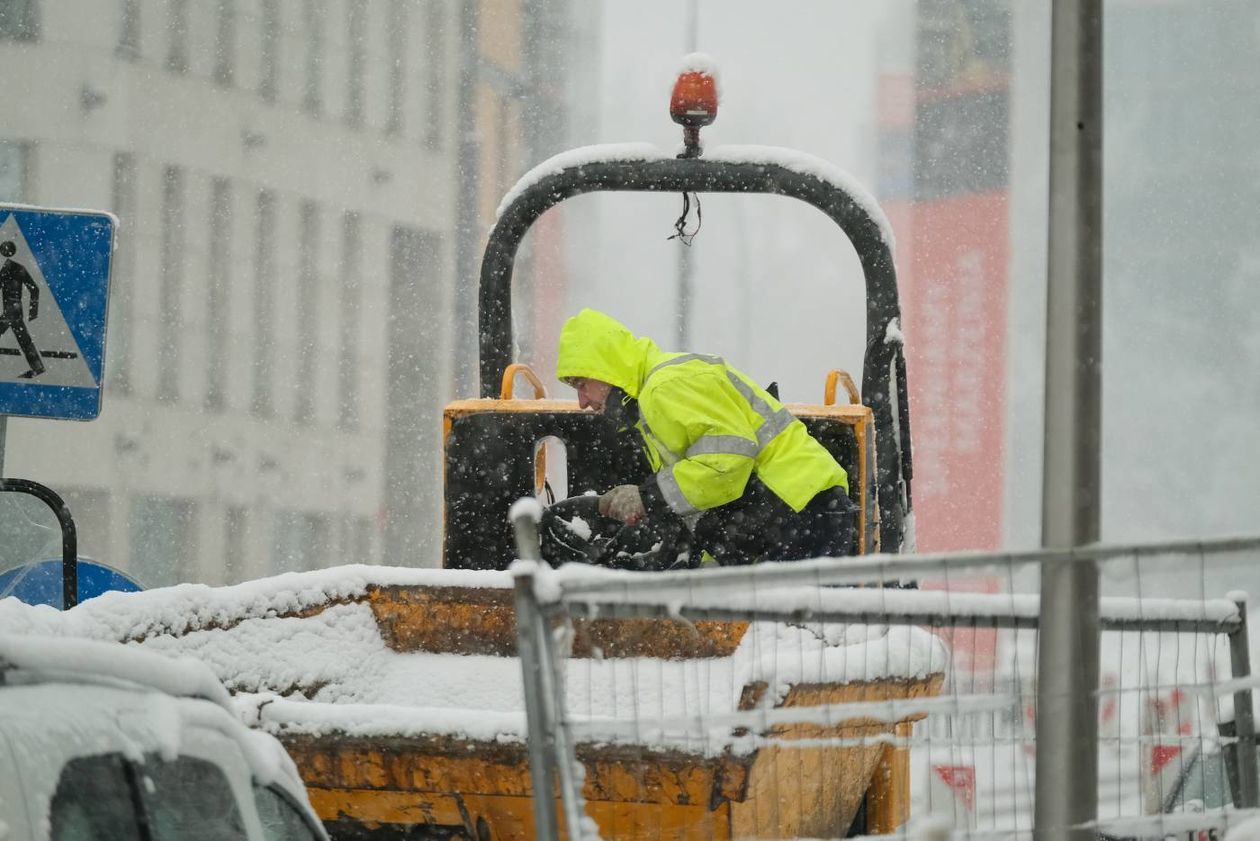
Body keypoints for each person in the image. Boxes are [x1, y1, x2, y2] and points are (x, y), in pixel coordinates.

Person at [551, 308, 857, 569]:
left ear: (607, 368)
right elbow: (705, 496)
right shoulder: (652, 403)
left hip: (798, 511)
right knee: (781, 635)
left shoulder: (664, 387)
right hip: (795, 512)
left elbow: (728, 463)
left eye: (582, 384)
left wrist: (648, 497)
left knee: (785, 635)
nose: (581, 402)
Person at [0, 241, 44, 379]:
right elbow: (34, 289)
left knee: (24, 340)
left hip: (10, 312)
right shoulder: (17, 268)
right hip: (15, 311)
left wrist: (33, 314)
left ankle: (38, 368)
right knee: (25, 340)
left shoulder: (9, 269)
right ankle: (38, 367)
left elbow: (34, 289)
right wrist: (32, 313)